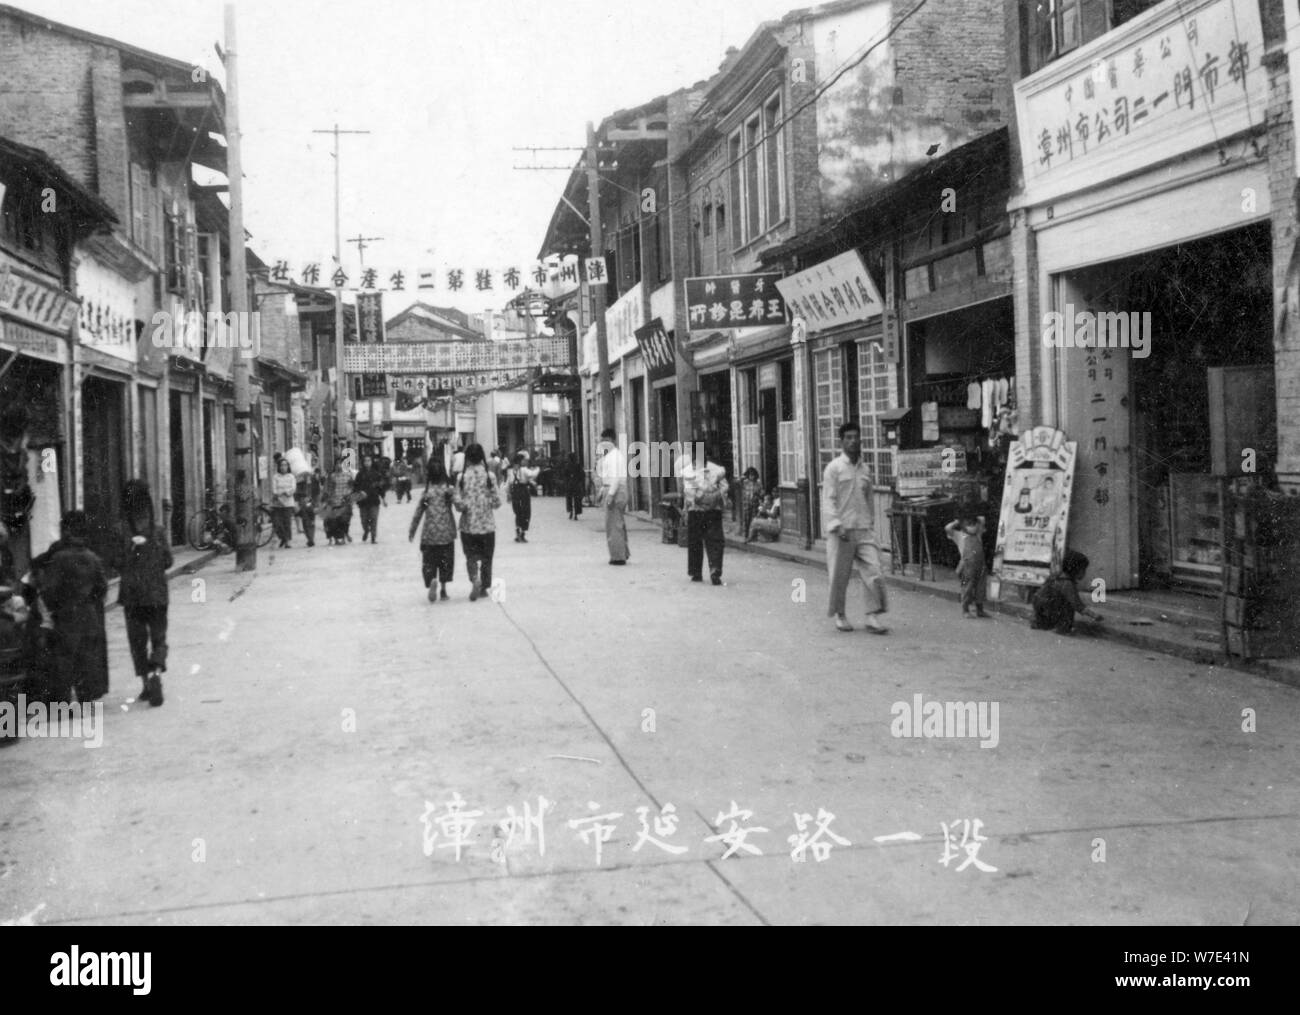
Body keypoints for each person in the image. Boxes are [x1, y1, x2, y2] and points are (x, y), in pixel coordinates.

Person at [36, 510, 109, 703]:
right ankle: (86, 700)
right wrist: (91, 602)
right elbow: (102, 587)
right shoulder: (92, 557)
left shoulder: (59, 558)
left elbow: (49, 590)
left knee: (64, 660)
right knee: (87, 659)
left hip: (66, 615)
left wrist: (55, 609)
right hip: (89, 615)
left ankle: (63, 702)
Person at [822, 420, 888, 634]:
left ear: (861, 440)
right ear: (841, 441)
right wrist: (835, 524)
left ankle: (872, 615)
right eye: (848, 437)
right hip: (842, 531)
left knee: (874, 570)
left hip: (863, 529)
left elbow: (868, 499)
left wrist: (870, 523)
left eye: (855, 437)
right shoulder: (833, 468)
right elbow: (828, 500)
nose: (853, 441)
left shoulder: (865, 469)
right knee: (839, 576)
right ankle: (840, 615)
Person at [115, 480, 172, 706]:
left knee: (137, 641)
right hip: (157, 593)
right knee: (159, 637)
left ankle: (146, 684)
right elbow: (168, 560)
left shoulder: (119, 530)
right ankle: (157, 670)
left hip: (132, 595)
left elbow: (116, 562)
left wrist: (131, 551)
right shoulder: (157, 530)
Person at [452, 443, 501, 601]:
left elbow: (457, 502)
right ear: (482, 457)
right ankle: (484, 588)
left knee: (471, 556)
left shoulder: (461, 477)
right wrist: (487, 504)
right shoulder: (490, 476)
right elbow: (497, 502)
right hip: (487, 525)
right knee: (487, 558)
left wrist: (466, 506)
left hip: (468, 526)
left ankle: (475, 579)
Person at [409, 459, 457, 603]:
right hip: (446, 534)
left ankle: (432, 581)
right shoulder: (447, 492)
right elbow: (458, 503)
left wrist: (412, 530)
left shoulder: (427, 495)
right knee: (445, 562)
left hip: (429, 534)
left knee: (429, 562)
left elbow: (419, 512)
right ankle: (443, 590)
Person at [679, 447, 729, 585]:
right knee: (695, 541)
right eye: (694, 457)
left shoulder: (717, 470)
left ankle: (715, 571)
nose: (697, 460)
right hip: (696, 509)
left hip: (713, 510)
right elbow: (690, 492)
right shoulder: (688, 471)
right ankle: (696, 572)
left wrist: (715, 497)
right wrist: (705, 500)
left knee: (716, 541)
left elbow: (724, 487)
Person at [1031, 549, 1104, 634]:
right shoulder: (1067, 583)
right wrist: (1094, 615)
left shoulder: (1056, 575)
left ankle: (1042, 623)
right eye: (1083, 570)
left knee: (1056, 601)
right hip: (1049, 607)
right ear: (1075, 569)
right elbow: (1078, 605)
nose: (1084, 573)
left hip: (1039, 605)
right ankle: (1063, 628)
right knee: (1068, 604)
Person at [945, 511, 989, 619]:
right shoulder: (959, 535)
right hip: (966, 567)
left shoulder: (979, 534)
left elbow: (982, 518)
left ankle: (980, 610)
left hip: (980, 566)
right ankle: (965, 609)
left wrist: (974, 518)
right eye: (969, 525)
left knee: (981, 589)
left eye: (974, 524)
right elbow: (947, 528)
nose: (973, 527)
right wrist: (957, 522)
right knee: (967, 588)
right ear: (963, 526)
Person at [597, 428, 629, 565]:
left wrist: (610, 495)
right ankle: (623, 552)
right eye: (603, 441)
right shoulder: (610, 456)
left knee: (613, 525)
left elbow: (615, 478)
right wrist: (602, 491)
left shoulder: (614, 456)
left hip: (615, 491)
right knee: (617, 523)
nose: (605, 443)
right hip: (612, 489)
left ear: (613, 441)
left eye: (607, 440)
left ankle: (618, 557)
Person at [507, 452, 540, 543]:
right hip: (523, 491)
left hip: (515, 492)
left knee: (518, 513)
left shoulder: (511, 470)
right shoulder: (524, 469)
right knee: (526, 512)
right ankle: (523, 533)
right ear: (521, 461)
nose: (525, 462)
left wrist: (508, 494)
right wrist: (538, 469)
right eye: (524, 460)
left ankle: (517, 531)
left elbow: (509, 483)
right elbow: (532, 475)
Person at [353, 454, 385, 544]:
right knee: (364, 520)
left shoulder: (376, 474)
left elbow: (380, 488)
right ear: (363, 463)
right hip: (363, 501)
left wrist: (383, 498)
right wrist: (359, 492)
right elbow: (355, 487)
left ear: (371, 462)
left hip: (374, 500)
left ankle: (373, 537)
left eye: (369, 461)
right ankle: (366, 530)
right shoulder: (359, 474)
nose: (367, 463)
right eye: (365, 461)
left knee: (374, 518)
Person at [324, 459, 354, 546]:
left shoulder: (348, 475)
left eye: (341, 464)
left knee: (345, 521)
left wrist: (349, 493)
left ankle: (344, 537)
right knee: (336, 521)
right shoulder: (332, 476)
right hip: (335, 501)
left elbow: (352, 486)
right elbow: (329, 488)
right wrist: (328, 499)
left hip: (346, 502)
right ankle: (337, 538)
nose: (339, 465)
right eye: (337, 464)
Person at [271, 458, 297, 549]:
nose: (283, 467)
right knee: (277, 522)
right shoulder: (276, 477)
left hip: (288, 502)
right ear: (279, 467)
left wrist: (286, 492)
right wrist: (278, 494)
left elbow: (293, 489)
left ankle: (287, 541)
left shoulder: (291, 476)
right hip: (277, 502)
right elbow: (274, 489)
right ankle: (283, 537)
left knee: (287, 522)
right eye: (281, 465)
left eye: (285, 465)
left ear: (288, 466)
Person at [296, 467, 322, 548]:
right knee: (305, 522)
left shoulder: (314, 481)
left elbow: (317, 492)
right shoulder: (300, 483)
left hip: (312, 503)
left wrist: (316, 503)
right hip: (303, 504)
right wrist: (302, 498)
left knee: (311, 521)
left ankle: (311, 538)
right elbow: (297, 493)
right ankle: (309, 538)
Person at [739, 467, 763, 540]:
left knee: (753, 519)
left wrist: (759, 496)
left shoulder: (758, 483)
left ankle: (752, 536)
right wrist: (744, 476)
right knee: (746, 519)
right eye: (750, 475)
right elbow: (738, 481)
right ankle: (745, 535)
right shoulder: (745, 482)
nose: (752, 477)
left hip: (754, 503)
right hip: (746, 503)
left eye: (753, 475)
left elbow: (761, 493)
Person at [563, 453, 585, 520]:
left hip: (570, 484)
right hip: (576, 484)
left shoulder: (567, 466)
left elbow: (565, 475)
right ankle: (576, 514)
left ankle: (571, 512)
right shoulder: (578, 465)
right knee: (577, 499)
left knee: (569, 499)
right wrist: (579, 480)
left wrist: (567, 481)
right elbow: (582, 474)